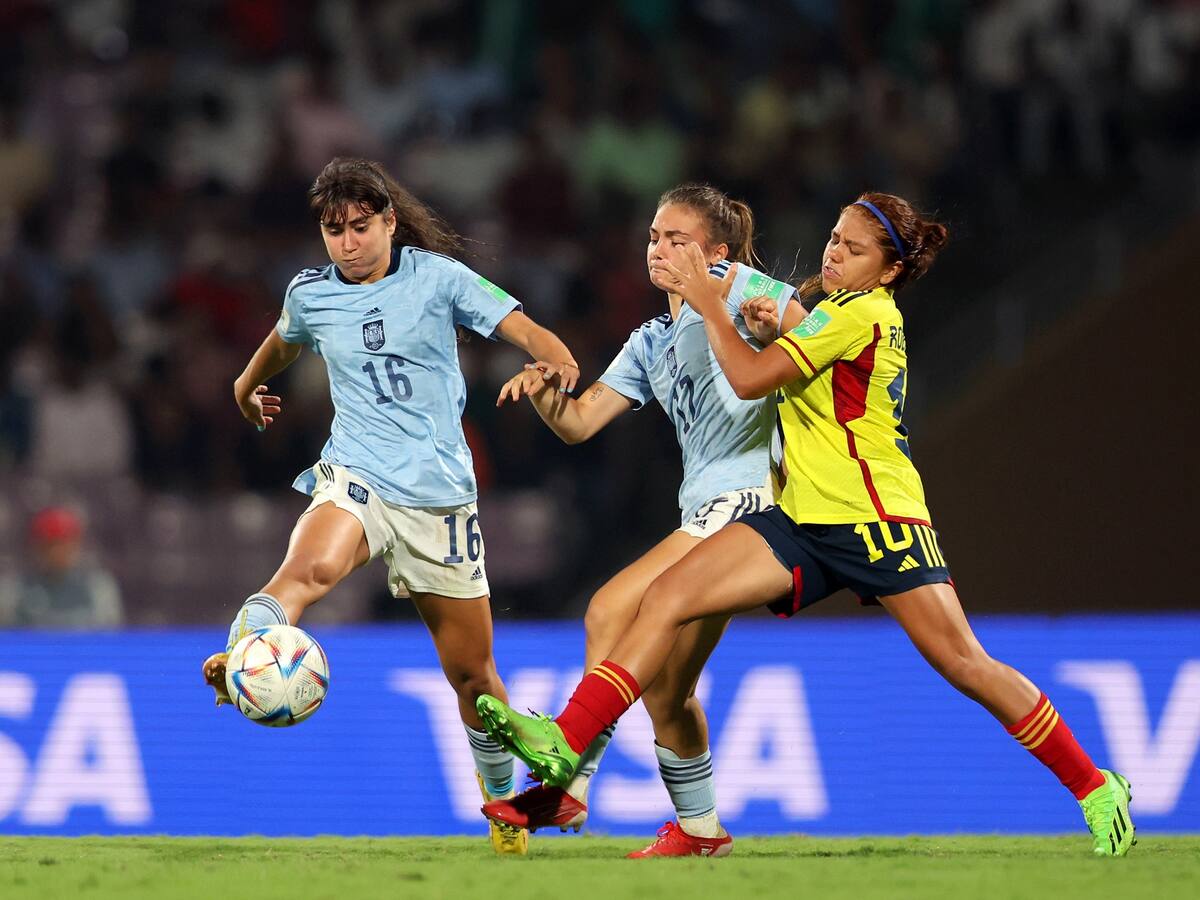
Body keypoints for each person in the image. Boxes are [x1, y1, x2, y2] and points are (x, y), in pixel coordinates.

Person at [473, 192, 1136, 858]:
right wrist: (761, 332)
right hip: (801, 518)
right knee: (663, 604)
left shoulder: (861, 312)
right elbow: (789, 373)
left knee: (965, 664)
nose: (835, 252)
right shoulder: (822, 314)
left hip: (874, 518)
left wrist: (719, 306)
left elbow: (755, 378)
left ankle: (1094, 783)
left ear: (888, 271)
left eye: (854, 248)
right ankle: (577, 753)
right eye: (835, 238)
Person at [201, 157, 581, 857]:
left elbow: (532, 334)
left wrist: (555, 362)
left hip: (439, 500)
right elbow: (282, 341)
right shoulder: (312, 294)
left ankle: (505, 810)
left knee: (474, 679)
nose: (346, 242)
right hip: (358, 474)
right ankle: (240, 656)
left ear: (389, 222)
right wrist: (244, 386)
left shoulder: (438, 279)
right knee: (307, 570)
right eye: (332, 229)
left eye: (359, 227)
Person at [483, 184, 807, 858]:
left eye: (677, 240)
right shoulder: (652, 340)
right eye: (654, 237)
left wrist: (780, 323)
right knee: (667, 695)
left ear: (715, 254)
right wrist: (547, 395)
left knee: (609, 609)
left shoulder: (738, 287)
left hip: (752, 507)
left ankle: (569, 778)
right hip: (705, 513)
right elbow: (580, 422)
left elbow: (807, 332)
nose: (658, 249)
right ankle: (701, 831)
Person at [0, 506, 124, 628]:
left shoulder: (98, 587)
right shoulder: (14, 591)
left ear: (76, 544)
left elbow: (111, 638)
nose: (57, 552)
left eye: (64, 544)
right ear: (36, 546)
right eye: (49, 545)